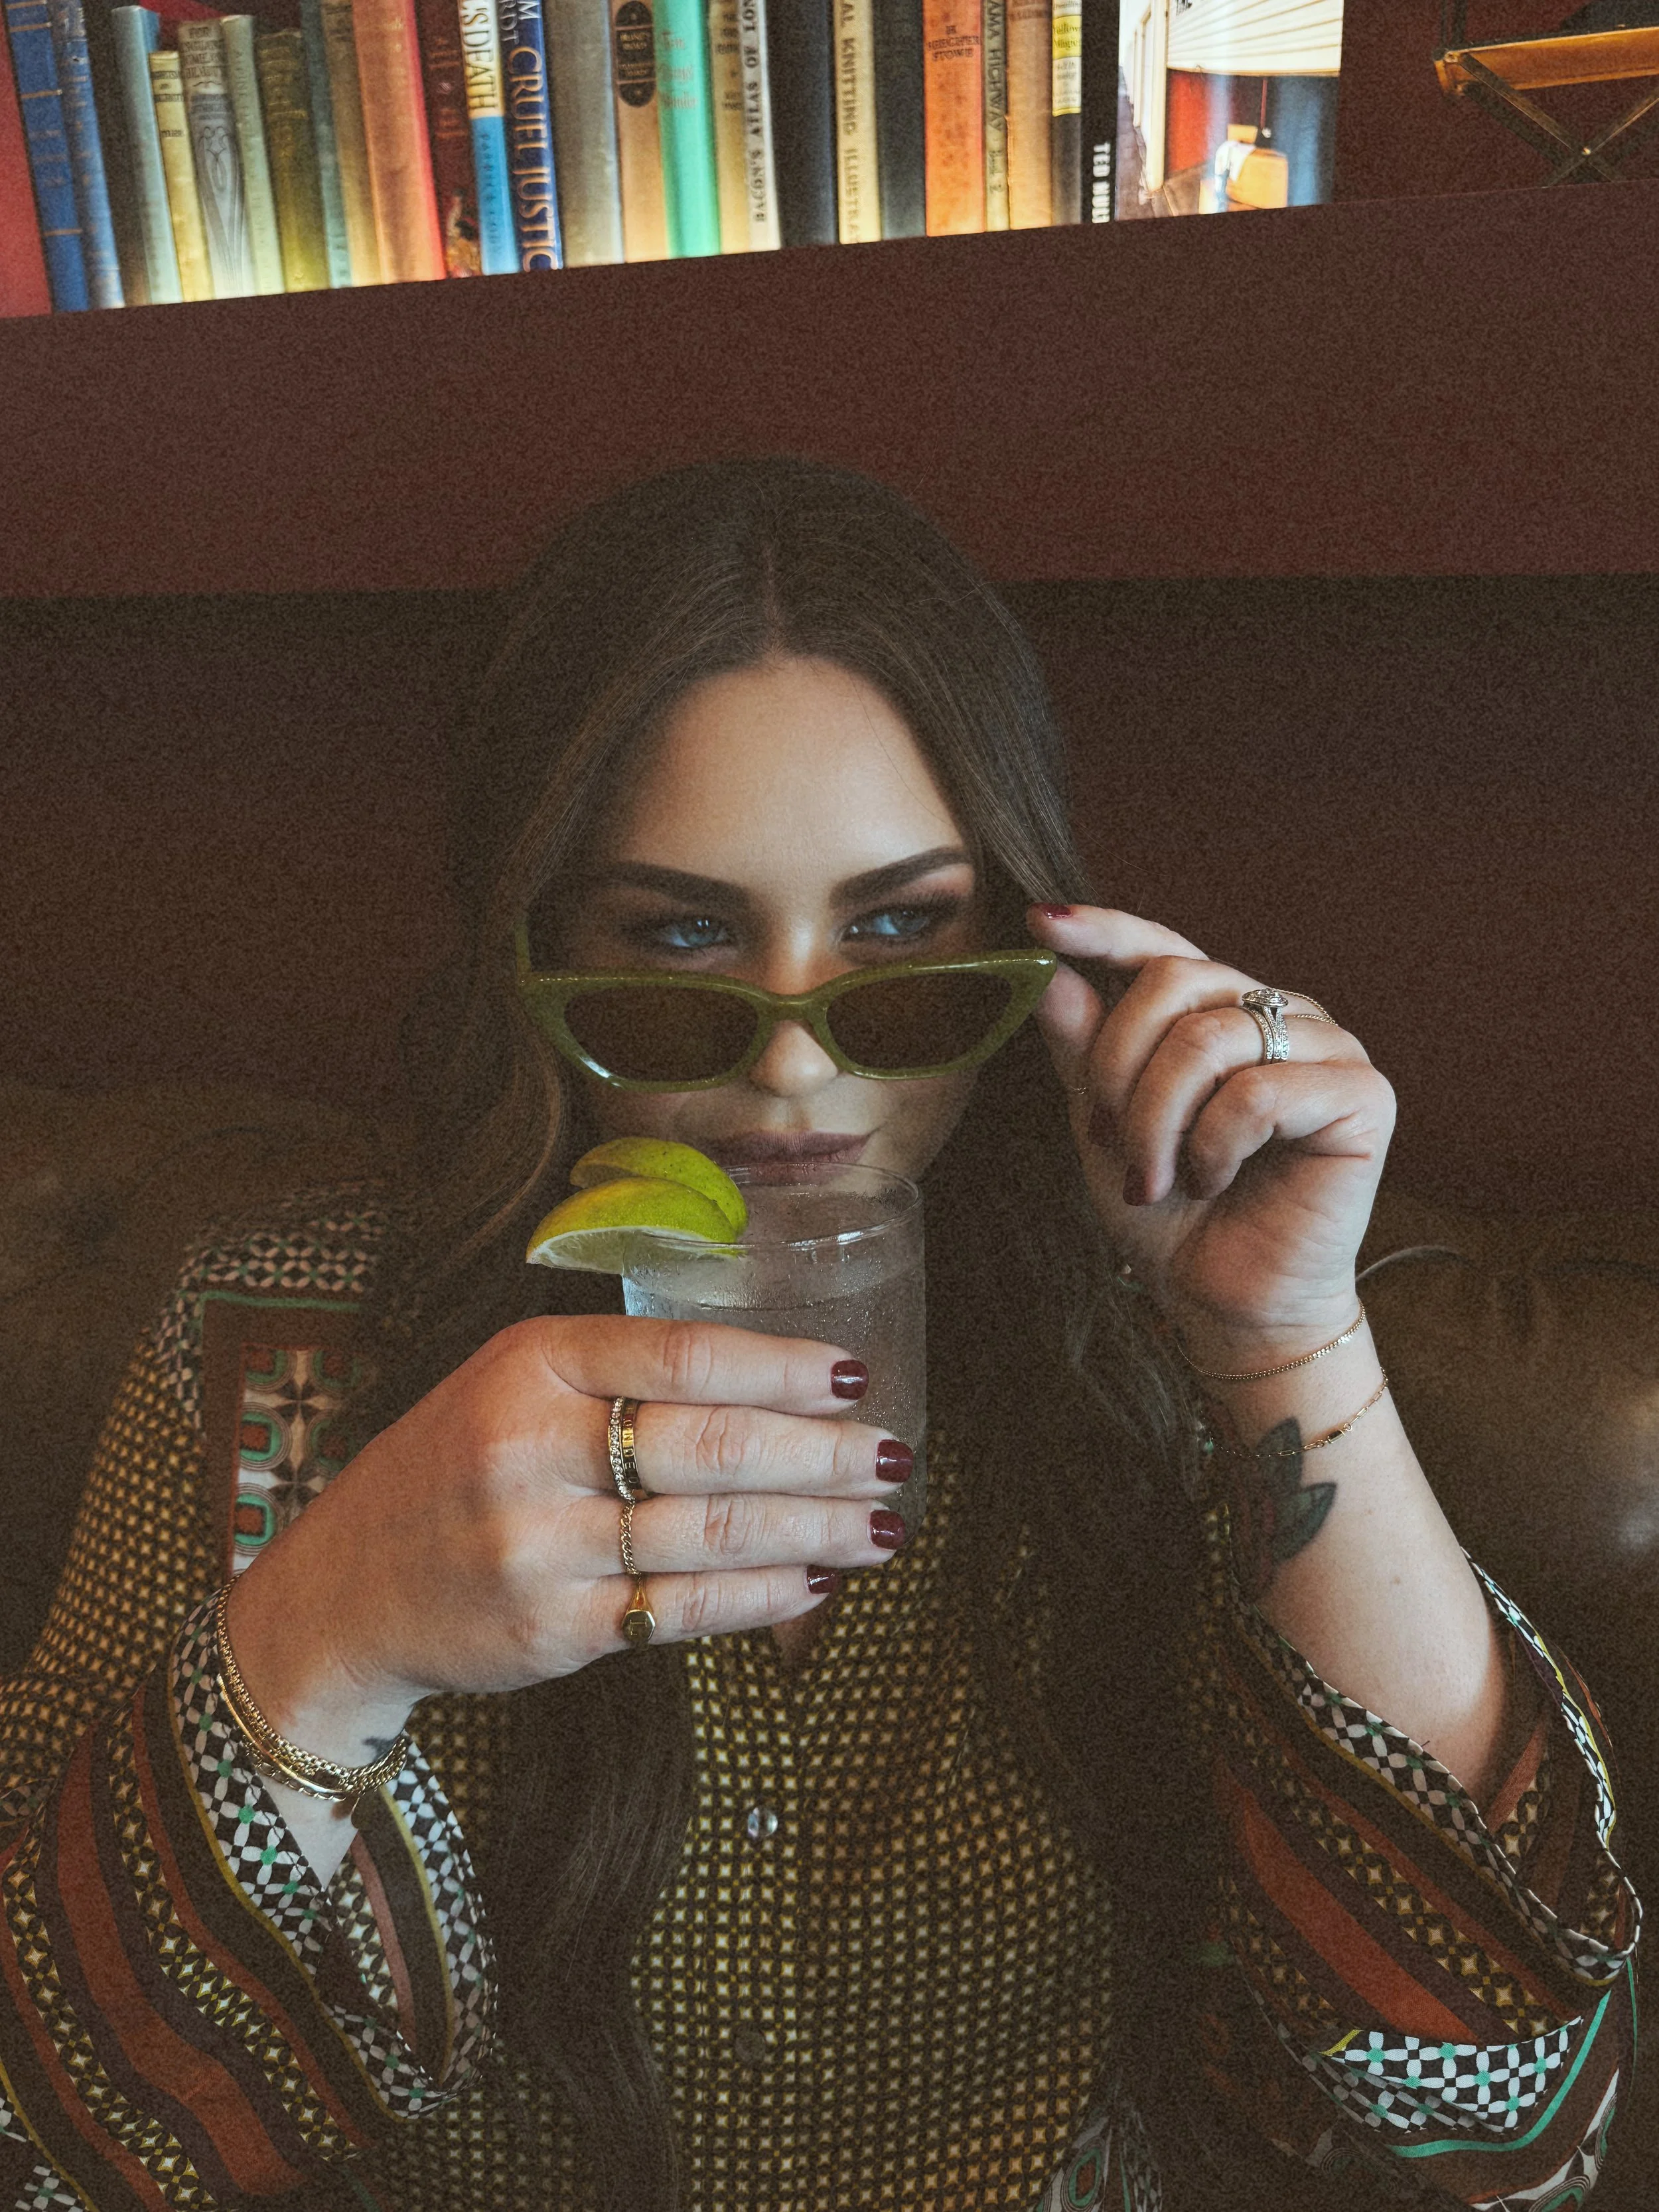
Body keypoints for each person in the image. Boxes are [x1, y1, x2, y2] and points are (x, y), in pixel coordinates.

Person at [0, 460, 1636, 2212]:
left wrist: (1284, 1337)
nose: (795, 1067)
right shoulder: (277, 1350)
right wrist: (331, 1627)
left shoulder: (1152, 1357)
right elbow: (46, 2135)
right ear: (533, 949)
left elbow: (1506, 2116)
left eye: (901, 935)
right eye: (678, 939)